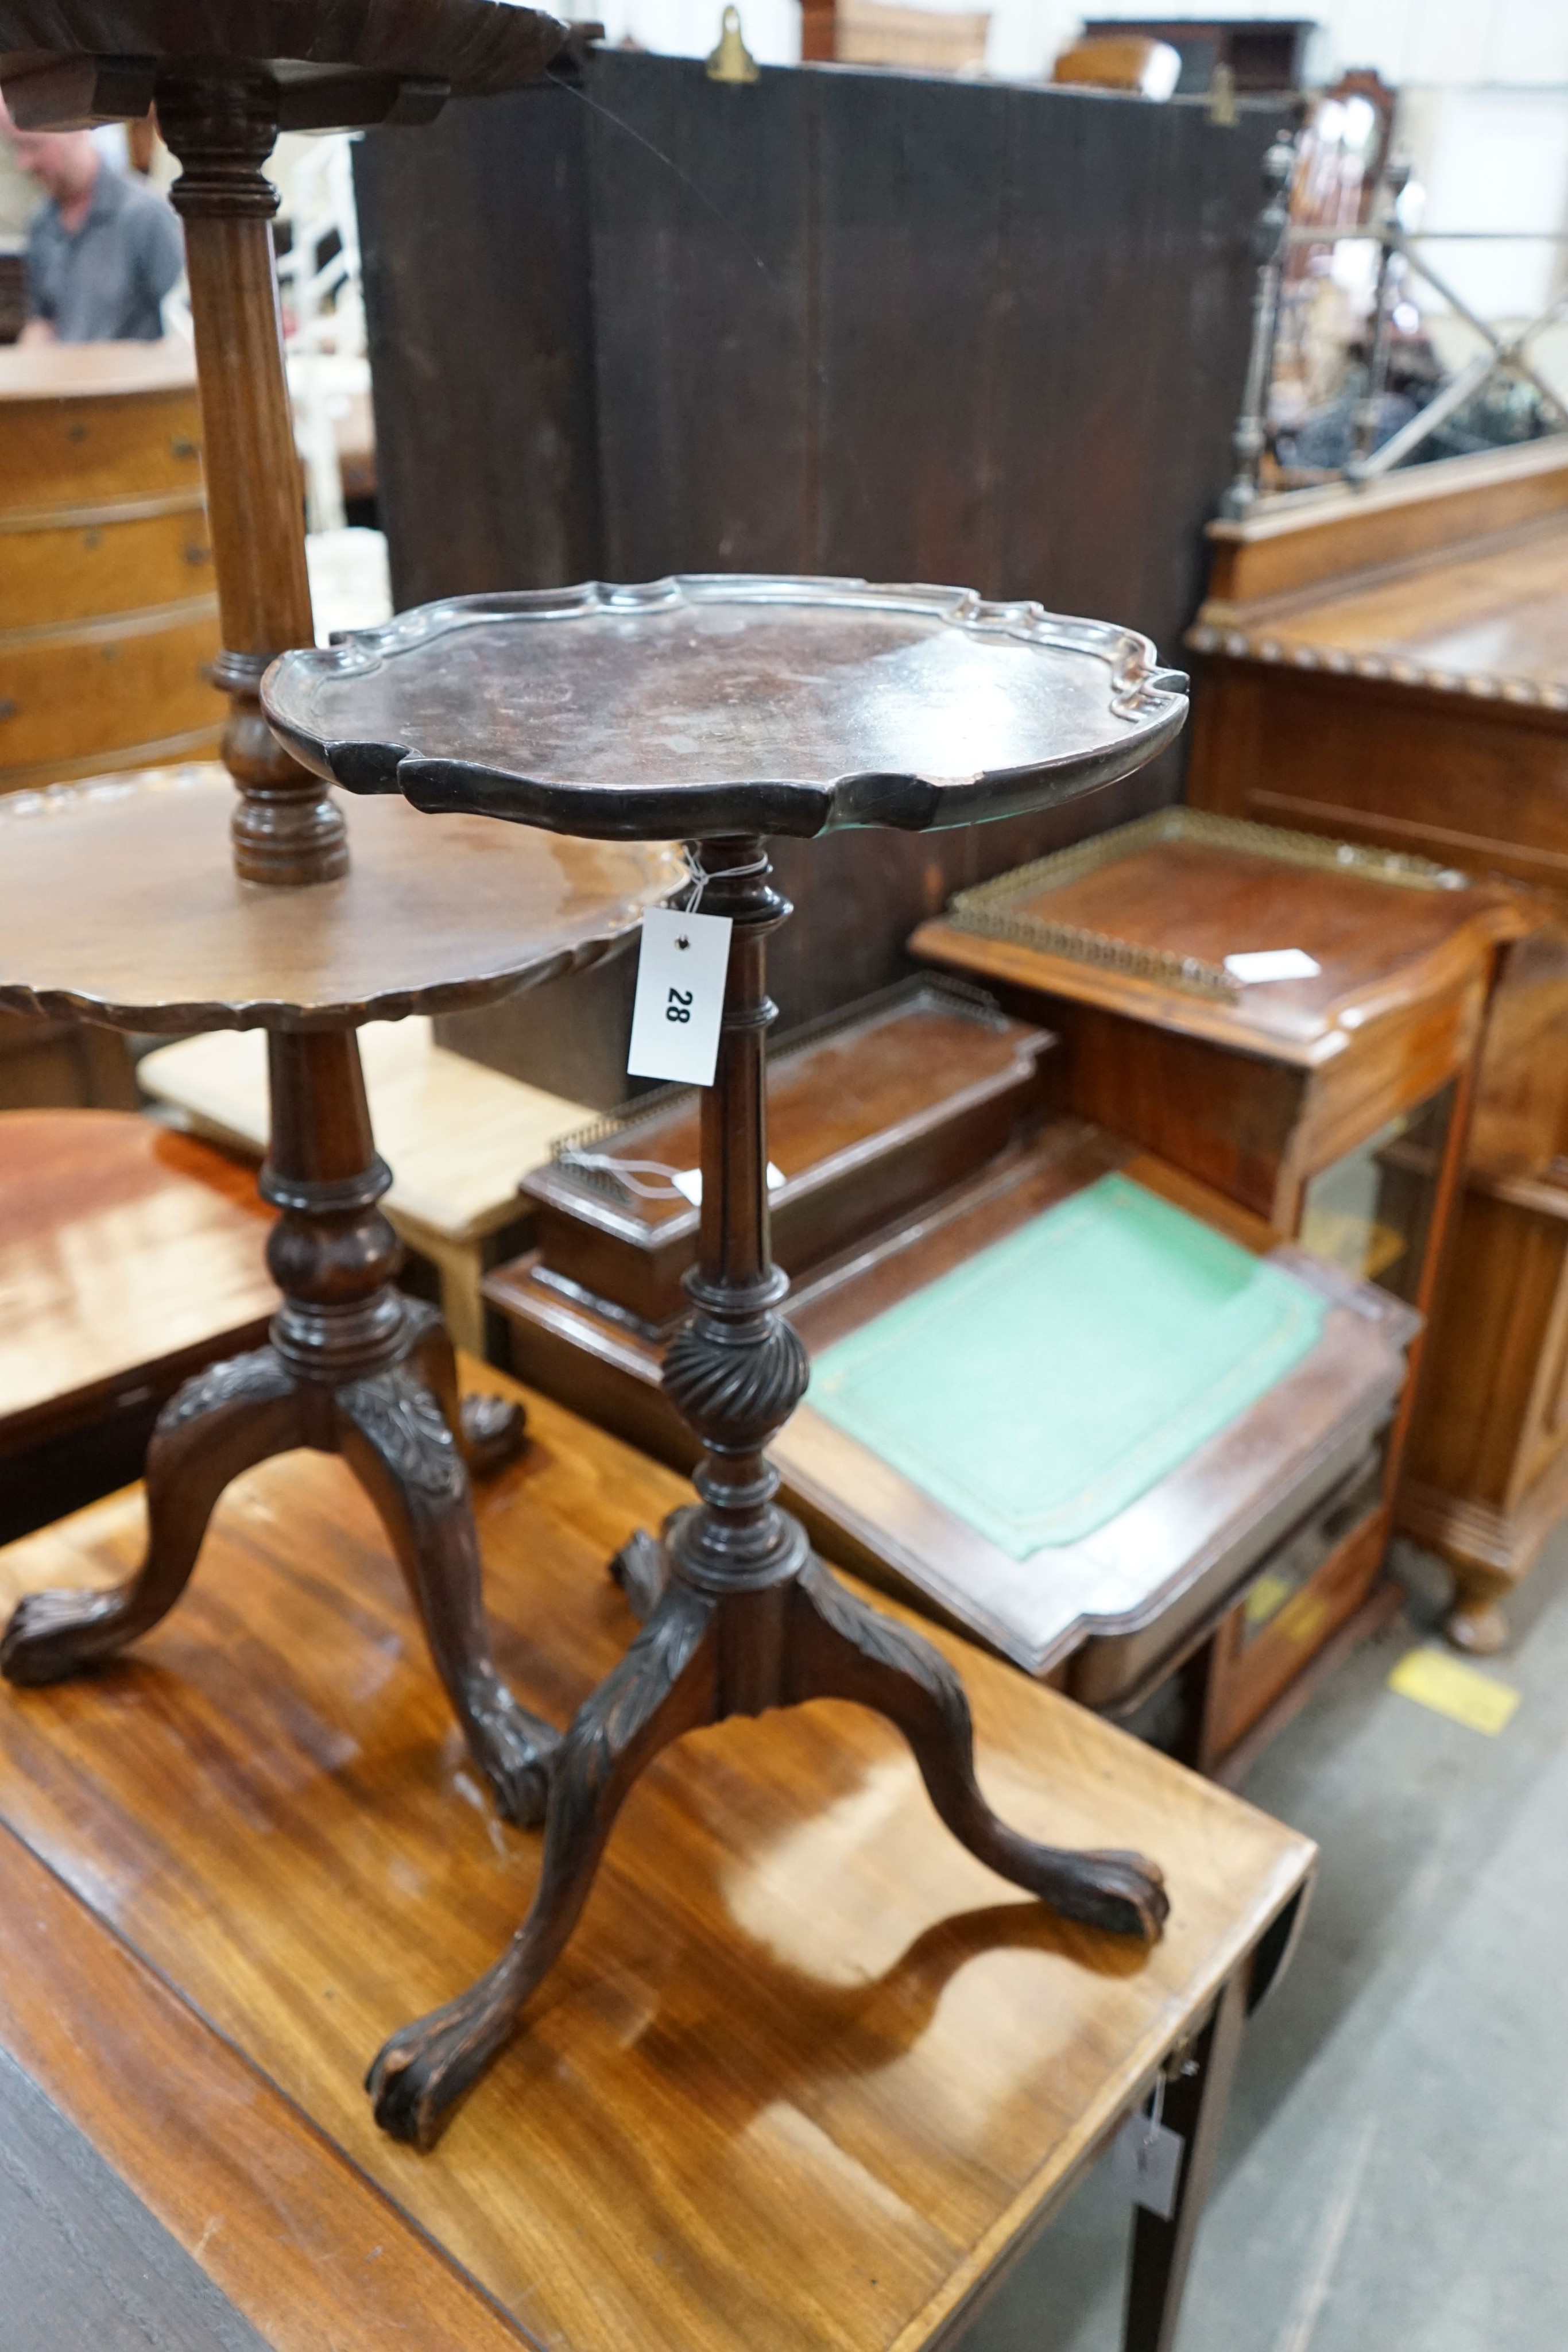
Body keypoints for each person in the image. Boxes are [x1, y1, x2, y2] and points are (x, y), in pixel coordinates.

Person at [0, 109, 183, 343]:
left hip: (135, 377)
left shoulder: (144, 215)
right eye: (16, 149)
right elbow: (44, 322)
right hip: (66, 376)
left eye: (34, 146)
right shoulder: (42, 224)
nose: (24, 163)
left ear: (76, 133)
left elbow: (183, 321)